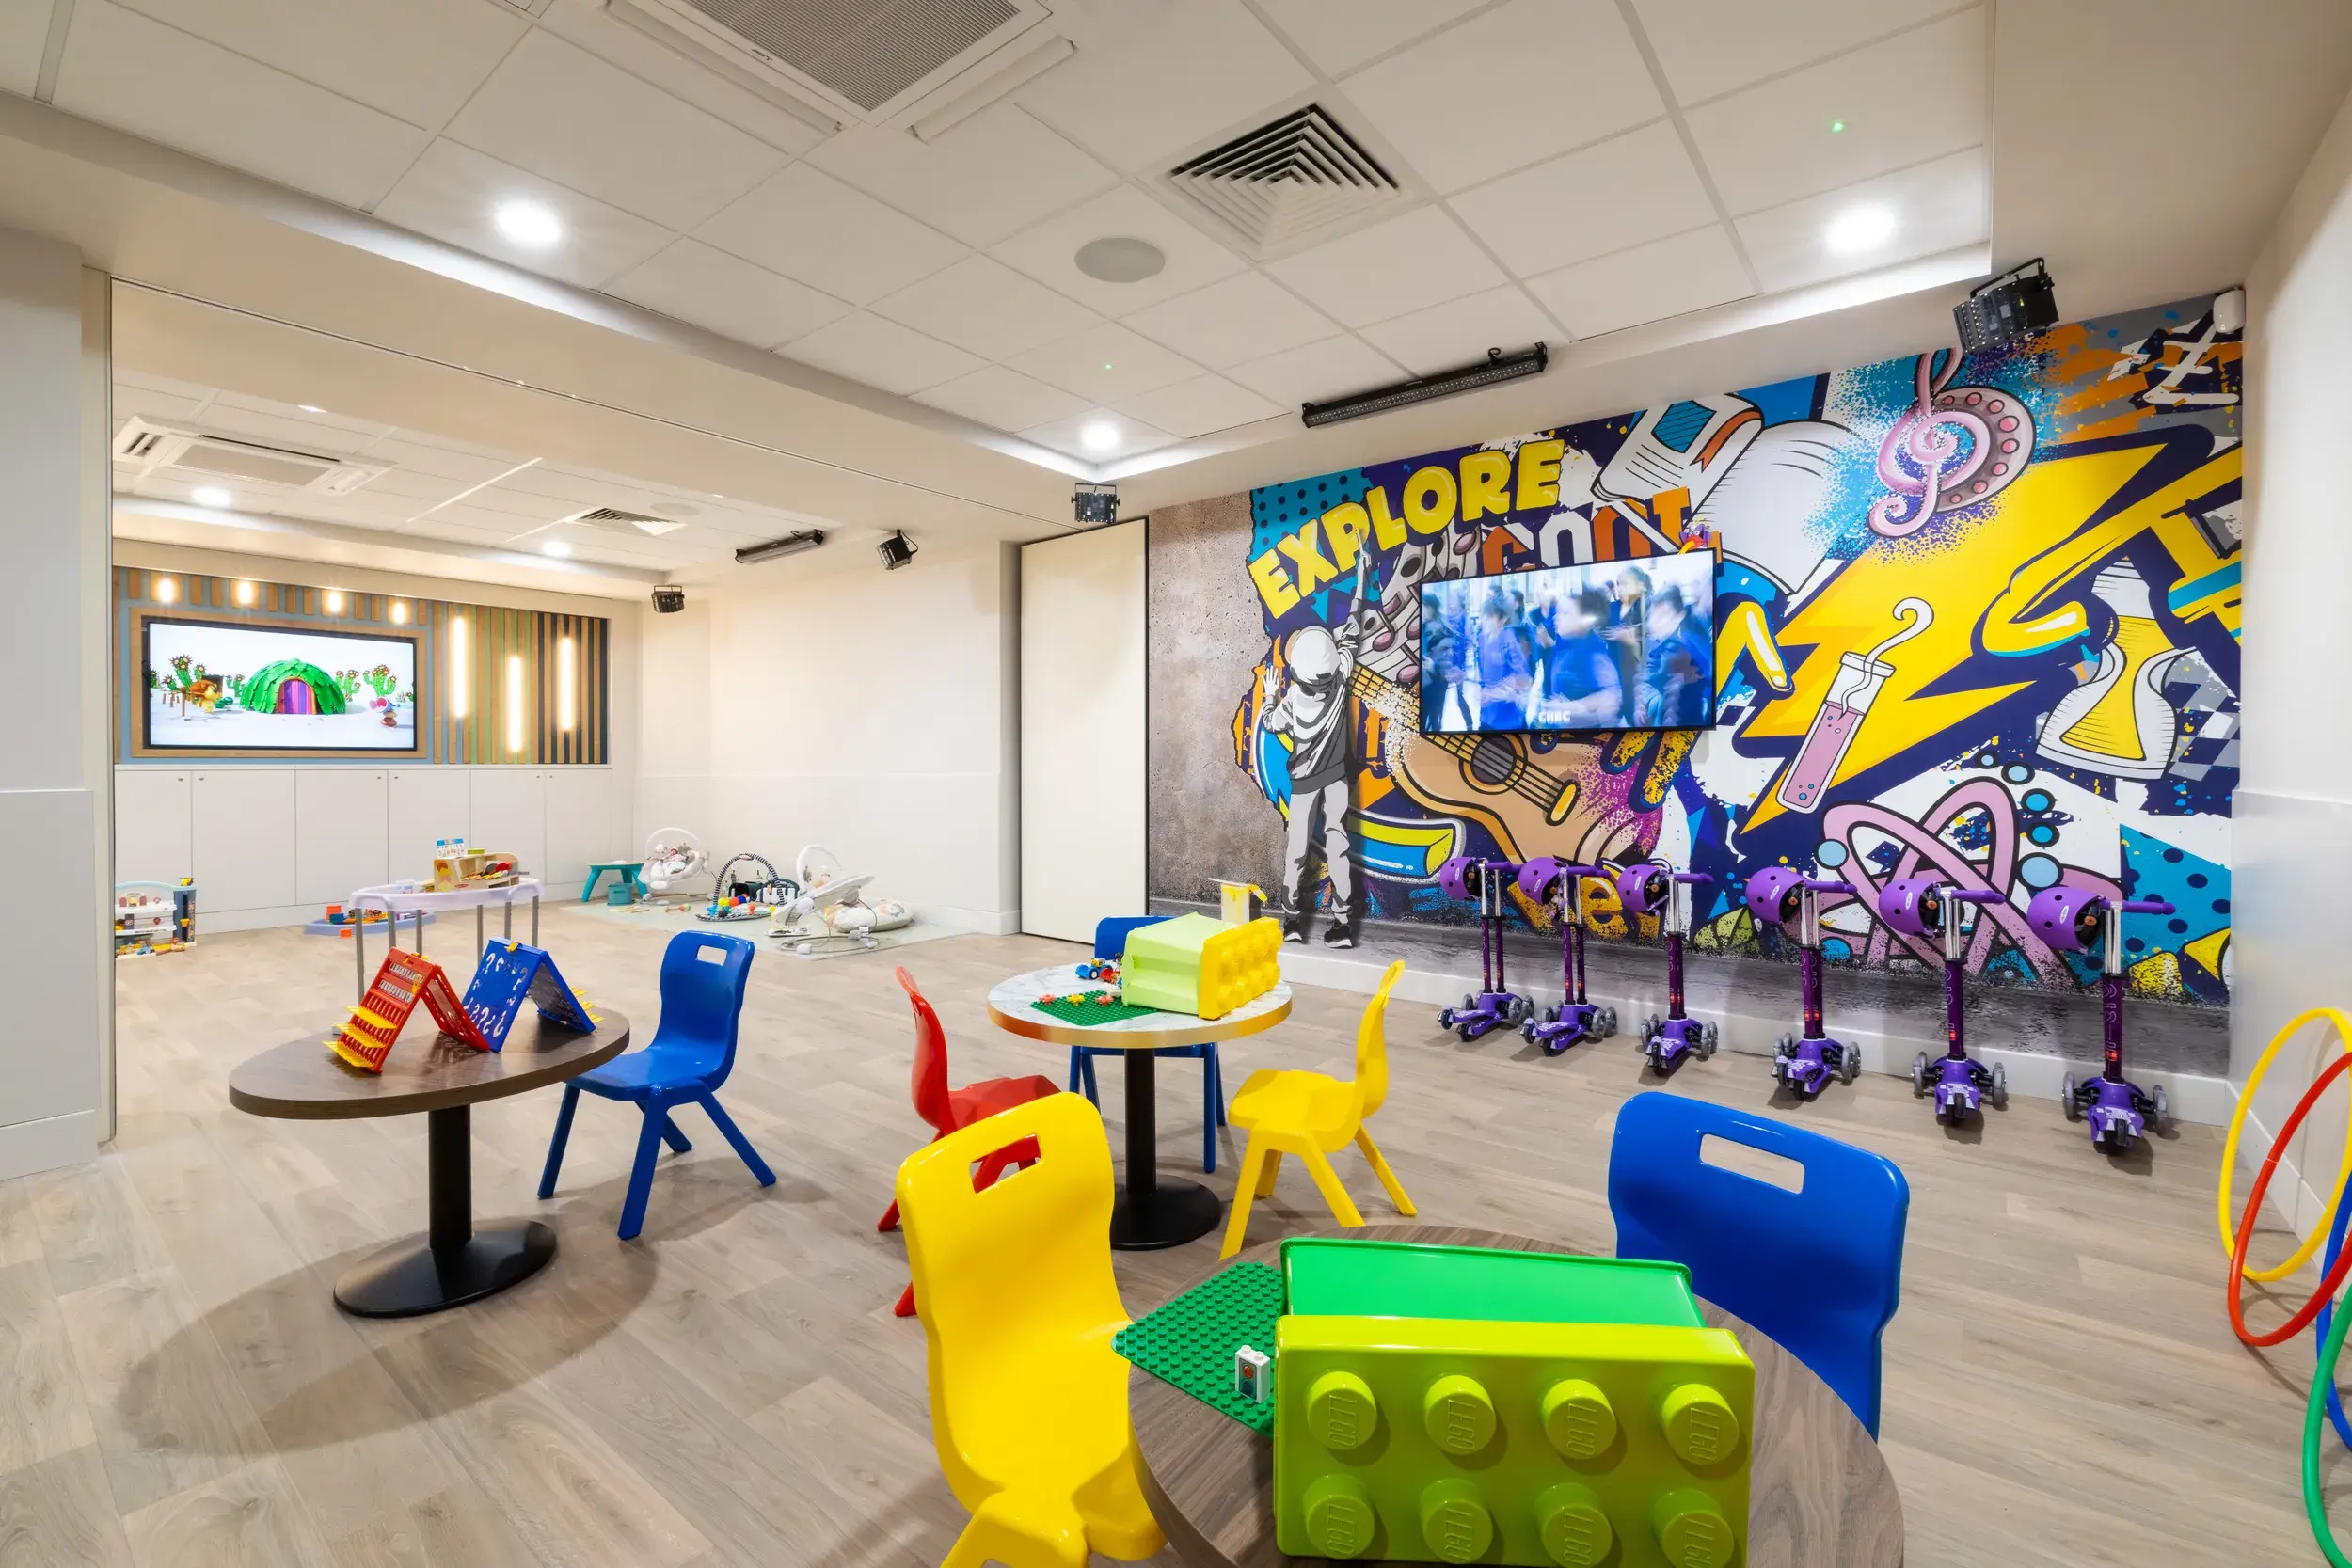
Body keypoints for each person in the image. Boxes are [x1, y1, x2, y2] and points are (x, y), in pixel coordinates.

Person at [1534, 589, 1622, 728]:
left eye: (1565, 613)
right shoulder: (1563, 646)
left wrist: (1570, 708)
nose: (1557, 617)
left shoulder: (1594, 652)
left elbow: (1611, 698)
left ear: (1585, 620)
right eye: (1557, 612)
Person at [1639, 585, 1710, 727]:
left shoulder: (1682, 646)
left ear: (1679, 616)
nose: (1653, 622)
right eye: (1652, 615)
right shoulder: (1660, 642)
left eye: (1663, 615)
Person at [1601, 565, 1651, 726]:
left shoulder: (1645, 607)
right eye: (1619, 584)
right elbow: (1601, 631)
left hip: (1635, 677)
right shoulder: (1611, 608)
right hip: (1613, 675)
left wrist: (1630, 635)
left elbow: (1648, 636)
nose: (1620, 588)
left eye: (1625, 584)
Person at [1474, 594, 1532, 730]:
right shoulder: (1481, 639)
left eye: (1489, 618)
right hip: (1487, 715)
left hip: (1508, 720)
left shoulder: (1509, 642)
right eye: (1483, 617)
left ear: (1503, 620)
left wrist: (1493, 692)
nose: (1484, 621)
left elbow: (1523, 679)